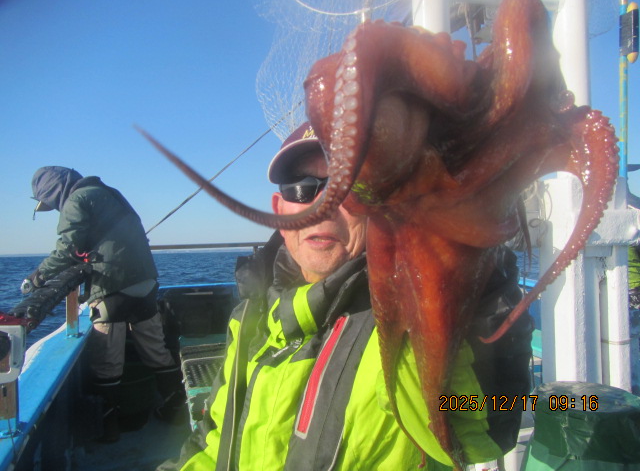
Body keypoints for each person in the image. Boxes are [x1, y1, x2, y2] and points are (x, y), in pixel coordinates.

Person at [159, 123, 533, 470]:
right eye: (302, 187)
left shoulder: (405, 315)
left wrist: (475, 275)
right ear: (279, 211)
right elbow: (212, 438)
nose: (323, 206)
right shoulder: (249, 316)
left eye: (350, 186)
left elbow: (482, 432)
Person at [25, 166, 186, 442]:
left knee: (108, 364)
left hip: (112, 288)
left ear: (53, 192)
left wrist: (38, 276)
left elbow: (68, 248)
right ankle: (175, 409)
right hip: (146, 283)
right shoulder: (110, 193)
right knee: (156, 351)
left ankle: (109, 427)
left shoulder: (76, 200)